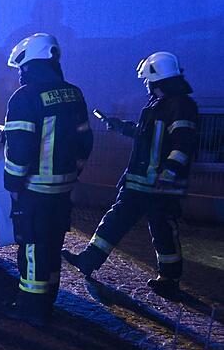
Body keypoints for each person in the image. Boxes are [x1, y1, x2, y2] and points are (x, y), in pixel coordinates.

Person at [62, 52, 200, 298]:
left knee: (160, 229)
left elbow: (183, 145)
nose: (146, 85)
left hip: (158, 184)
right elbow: (146, 136)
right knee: (124, 222)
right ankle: (90, 261)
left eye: (148, 80)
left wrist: (168, 173)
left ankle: (168, 279)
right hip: (144, 183)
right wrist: (120, 126)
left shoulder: (180, 106)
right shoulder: (161, 105)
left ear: (157, 77)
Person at [2, 33, 94, 326]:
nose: (19, 75)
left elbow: (20, 148)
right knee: (52, 248)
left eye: (21, 68)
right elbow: (85, 141)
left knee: (31, 250)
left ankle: (31, 310)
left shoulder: (25, 98)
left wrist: (13, 185)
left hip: (35, 190)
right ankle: (47, 303)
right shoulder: (74, 93)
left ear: (29, 66)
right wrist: (73, 173)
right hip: (63, 188)